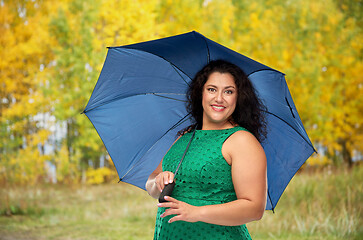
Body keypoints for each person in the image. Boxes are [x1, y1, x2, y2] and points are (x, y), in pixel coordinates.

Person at [145, 60, 267, 239]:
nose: (219, 98)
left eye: (228, 91)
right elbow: (151, 183)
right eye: (212, 89)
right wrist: (158, 182)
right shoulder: (185, 137)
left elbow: (254, 208)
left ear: (238, 97)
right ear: (200, 93)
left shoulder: (241, 140)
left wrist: (196, 212)